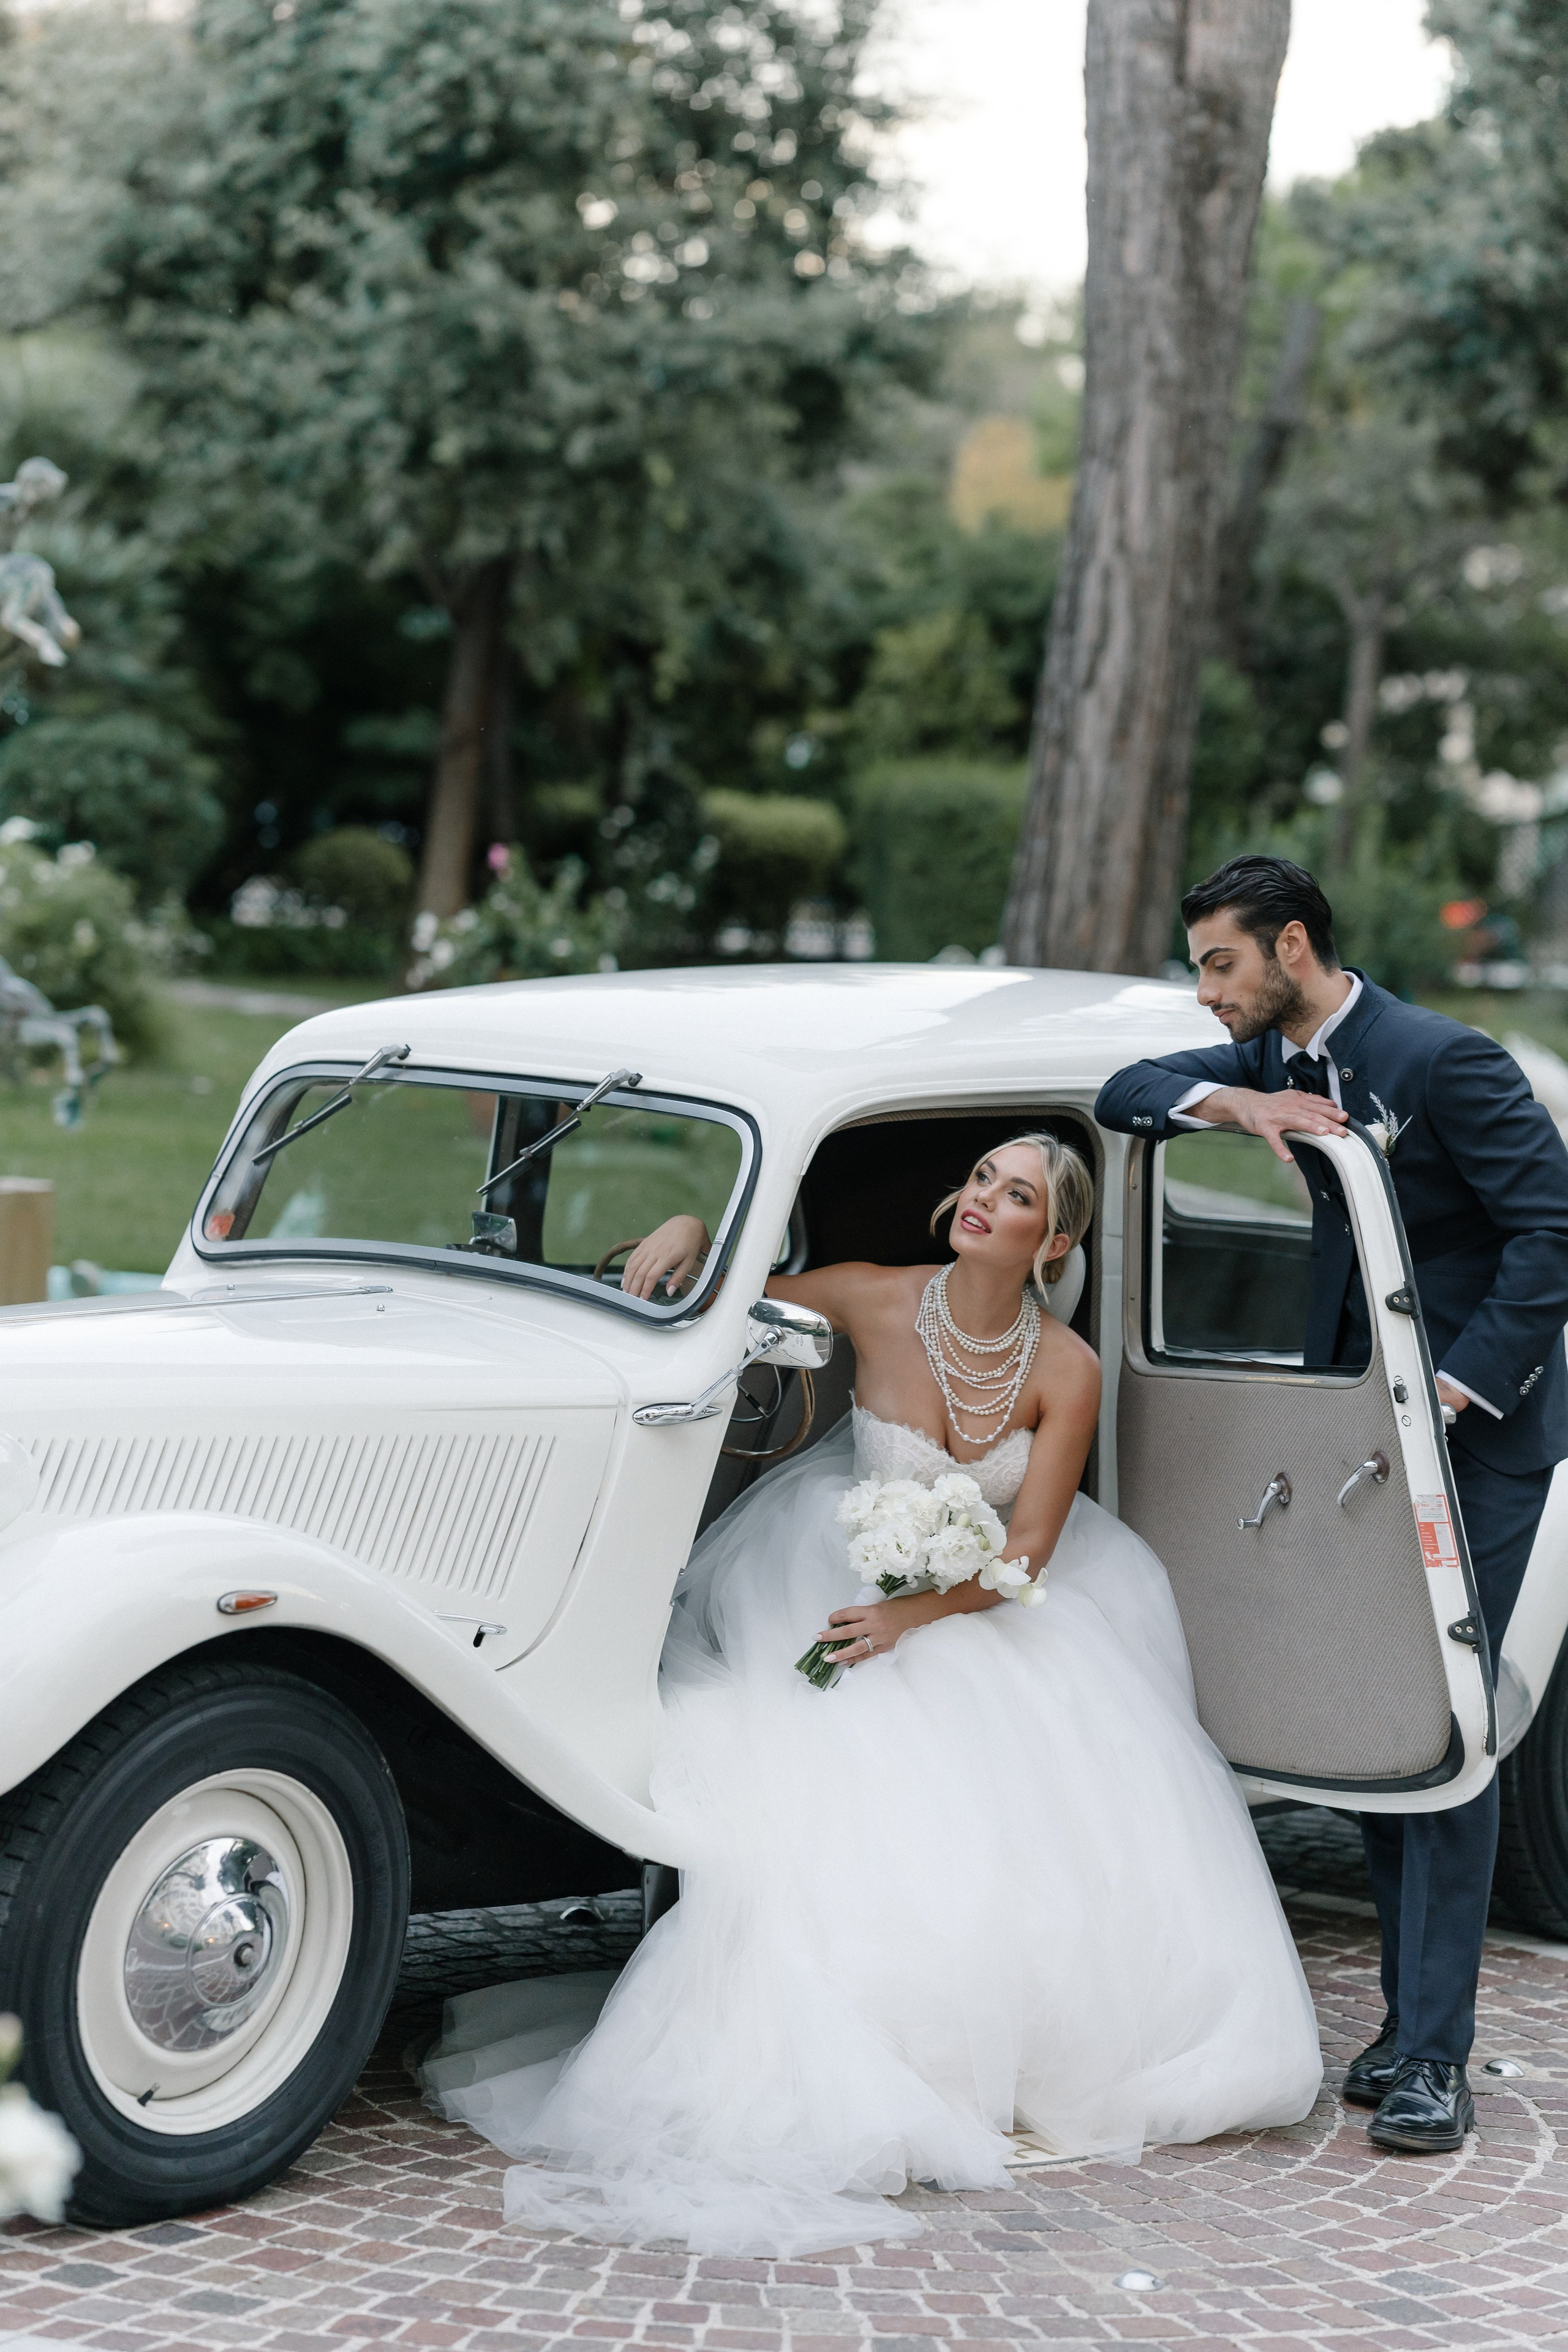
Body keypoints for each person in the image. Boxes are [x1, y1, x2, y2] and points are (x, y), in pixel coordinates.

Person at [419, 1134, 1321, 2256]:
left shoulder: (1066, 1369)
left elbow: (1028, 1553)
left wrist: (914, 1615)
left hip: (982, 1607)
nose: (986, 1200)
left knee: (1016, 1803)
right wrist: (696, 1231)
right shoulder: (876, 1297)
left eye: (1020, 1195)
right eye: (985, 1179)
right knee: (803, 1772)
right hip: (831, 1569)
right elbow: (722, 1294)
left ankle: (988, 2050)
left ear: (1059, 1241)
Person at [1095, 854, 1568, 2156]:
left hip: (1473, 1436)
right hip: (1349, 1420)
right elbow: (1118, 1093)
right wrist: (1233, 1111)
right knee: (1370, 1716)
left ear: (1291, 946)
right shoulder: (1265, 1058)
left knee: (1442, 1730)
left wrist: (1459, 1392)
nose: (1204, 993)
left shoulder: (1440, 1060)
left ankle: (1431, 2058)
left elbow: (1550, 1234)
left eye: (1219, 964)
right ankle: (1401, 2025)